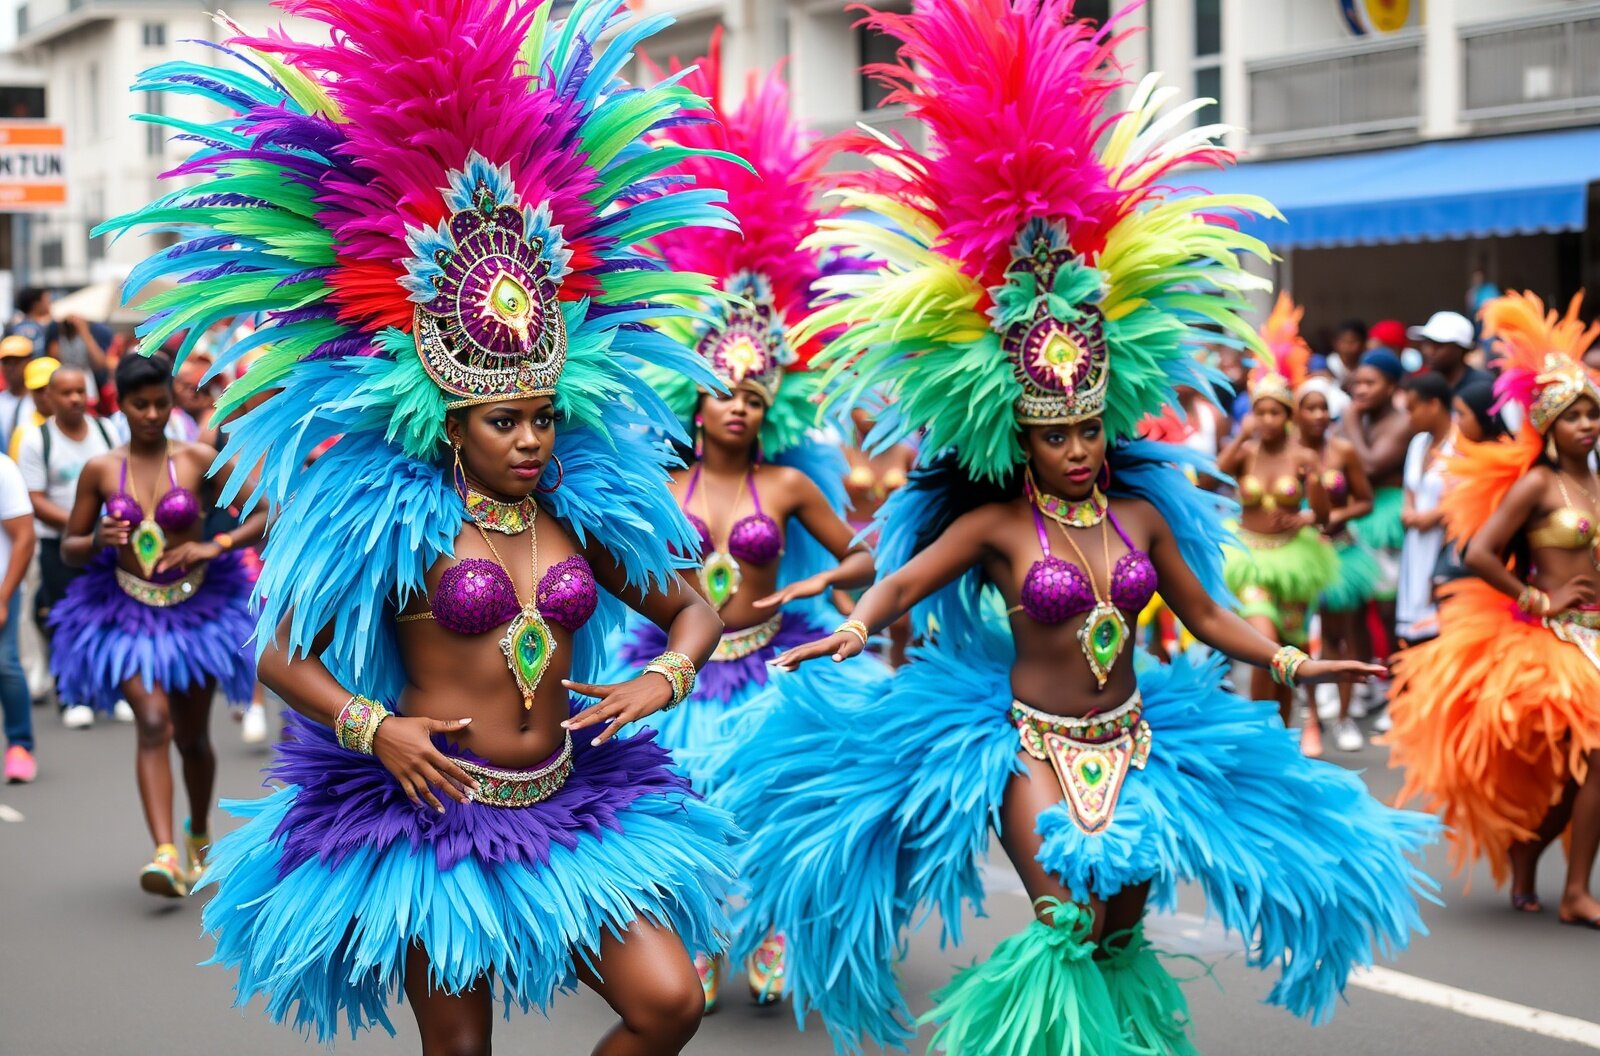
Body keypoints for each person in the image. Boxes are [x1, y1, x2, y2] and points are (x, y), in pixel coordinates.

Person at [708, 6, 1438, 1053]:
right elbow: (908, 578)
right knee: (1061, 919)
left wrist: (1295, 659)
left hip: (1135, 739)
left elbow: (1205, 613)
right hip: (1025, 745)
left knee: (1115, 933)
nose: (1078, 449)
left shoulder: (1140, 511)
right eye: (1056, 436)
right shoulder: (1000, 524)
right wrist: (857, 621)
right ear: (1023, 439)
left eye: (1089, 429)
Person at [103, 1, 745, 1049]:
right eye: (505, 421)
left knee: (670, 1003)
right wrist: (376, 728)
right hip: (436, 824)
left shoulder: (581, 508)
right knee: (460, 1050)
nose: (531, 440)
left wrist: (660, 677)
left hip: (572, 805)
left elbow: (689, 609)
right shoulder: (391, 519)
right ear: (452, 425)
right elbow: (282, 653)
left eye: (543, 416)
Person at [615, 35, 877, 1008]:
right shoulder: (659, 490)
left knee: (777, 802)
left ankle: (769, 926)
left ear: (771, 400)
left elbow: (865, 555)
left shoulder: (792, 489)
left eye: (754, 390)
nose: (737, 404)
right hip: (684, 666)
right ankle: (701, 935)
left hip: (773, 662)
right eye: (722, 389)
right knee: (681, 811)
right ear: (693, 398)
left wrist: (832, 586)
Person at [1389, 291, 1600, 929]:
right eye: (1573, 416)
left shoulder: (1595, 481)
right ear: (1549, 425)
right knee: (1593, 759)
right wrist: (1540, 598)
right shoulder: (1539, 483)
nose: (1587, 425)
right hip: (1554, 639)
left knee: (1574, 777)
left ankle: (1529, 852)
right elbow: (1480, 552)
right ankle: (1576, 892)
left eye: (1593, 413)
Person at [51, 353, 264, 895]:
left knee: (192, 739)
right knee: (152, 723)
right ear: (120, 405)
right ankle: (165, 854)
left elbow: (264, 514)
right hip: (123, 613)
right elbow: (70, 549)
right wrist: (96, 538)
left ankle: (196, 832)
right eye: (139, 404)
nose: (151, 414)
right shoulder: (101, 471)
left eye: (159, 403)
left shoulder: (196, 459)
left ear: (171, 402)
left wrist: (211, 543)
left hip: (196, 614)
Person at [1216, 295, 1336, 747]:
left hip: (1295, 559)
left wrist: (1312, 497)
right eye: (1259, 410)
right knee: (1264, 639)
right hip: (1248, 555)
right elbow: (1213, 476)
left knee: (1291, 650)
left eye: (1275, 412)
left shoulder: (1303, 456)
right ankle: (1256, 731)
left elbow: (1323, 518)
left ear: (1288, 416)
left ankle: (1280, 735)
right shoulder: (1244, 450)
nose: (1266, 419)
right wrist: (1240, 434)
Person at [16, 364, 115, 729]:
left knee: (109, 615)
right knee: (64, 620)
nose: (75, 398)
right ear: (50, 398)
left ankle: (110, 691)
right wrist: (80, 527)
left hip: (104, 544)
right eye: (66, 393)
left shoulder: (106, 430)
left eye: (80, 391)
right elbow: (35, 499)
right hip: (58, 546)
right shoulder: (36, 440)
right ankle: (71, 695)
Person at [1294, 343, 1378, 754]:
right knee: (1299, 642)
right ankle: (1311, 717)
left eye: (1322, 408)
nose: (1317, 415)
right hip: (1298, 558)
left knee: (1340, 638)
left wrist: (1337, 516)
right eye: (1308, 408)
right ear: (1296, 412)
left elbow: (1366, 500)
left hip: (1342, 554)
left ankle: (1344, 717)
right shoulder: (1285, 451)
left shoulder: (1343, 451)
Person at [1340, 348, 1414, 677]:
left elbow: (1369, 464)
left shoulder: (1401, 423)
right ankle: (1365, 680)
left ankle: (1397, 683)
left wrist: (1351, 421)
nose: (1361, 390)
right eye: (1357, 383)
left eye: (1371, 383)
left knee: (1388, 609)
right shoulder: (1360, 419)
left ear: (1392, 386)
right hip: (1357, 515)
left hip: (1387, 519)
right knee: (1353, 607)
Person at [1396, 371, 1453, 646]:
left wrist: (1434, 516)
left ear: (1434, 404)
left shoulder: (1459, 443)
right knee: (1414, 626)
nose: (1409, 417)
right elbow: (1411, 489)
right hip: (1417, 541)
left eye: (1413, 408)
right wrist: (1409, 511)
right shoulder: (1418, 443)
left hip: (1445, 540)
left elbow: (1470, 494)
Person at [0, 451, 36, 782]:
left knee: (5, 664)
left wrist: (3, 597)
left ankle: (20, 744)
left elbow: (24, 536)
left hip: (2, 588)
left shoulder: (3, 469)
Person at [1411, 309, 1492, 395]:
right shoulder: (1421, 385)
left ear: (1461, 349)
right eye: (1427, 343)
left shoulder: (1482, 386)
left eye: (1439, 345)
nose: (1429, 351)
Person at [9, 355, 55, 461]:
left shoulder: (86, 424)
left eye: (50, 387)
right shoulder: (23, 433)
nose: (46, 395)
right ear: (29, 392)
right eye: (39, 390)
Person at [0, 335, 35, 446]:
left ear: (30, 361)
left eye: (17, 362)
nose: (11, 367)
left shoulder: (41, 400)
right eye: (6, 362)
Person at [7, 287, 51, 358]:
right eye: (47, 301)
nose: (50, 304)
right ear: (36, 304)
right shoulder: (47, 328)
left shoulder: (13, 327)